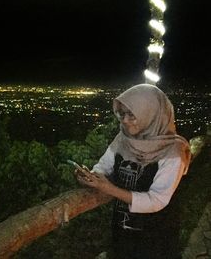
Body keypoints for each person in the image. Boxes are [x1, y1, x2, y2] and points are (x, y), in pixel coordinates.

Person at [75, 83, 191, 259]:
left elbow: (157, 199)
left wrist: (110, 189)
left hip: (156, 236)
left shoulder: (173, 152)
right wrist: (90, 176)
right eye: (122, 114)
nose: (125, 120)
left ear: (151, 114)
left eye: (131, 115)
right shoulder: (123, 138)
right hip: (123, 231)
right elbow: (104, 166)